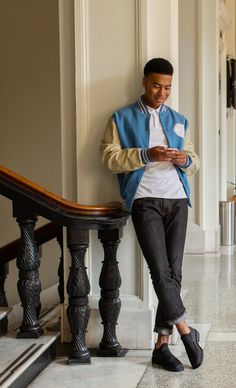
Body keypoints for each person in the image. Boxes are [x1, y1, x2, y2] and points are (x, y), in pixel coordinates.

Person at [100, 58, 202, 372]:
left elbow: (195, 163)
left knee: (173, 272)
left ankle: (161, 345)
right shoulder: (121, 117)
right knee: (159, 270)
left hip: (177, 199)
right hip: (145, 200)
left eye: (168, 87)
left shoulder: (178, 119)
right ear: (145, 81)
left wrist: (184, 159)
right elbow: (108, 157)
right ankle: (186, 331)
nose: (162, 92)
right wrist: (147, 154)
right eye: (157, 85)